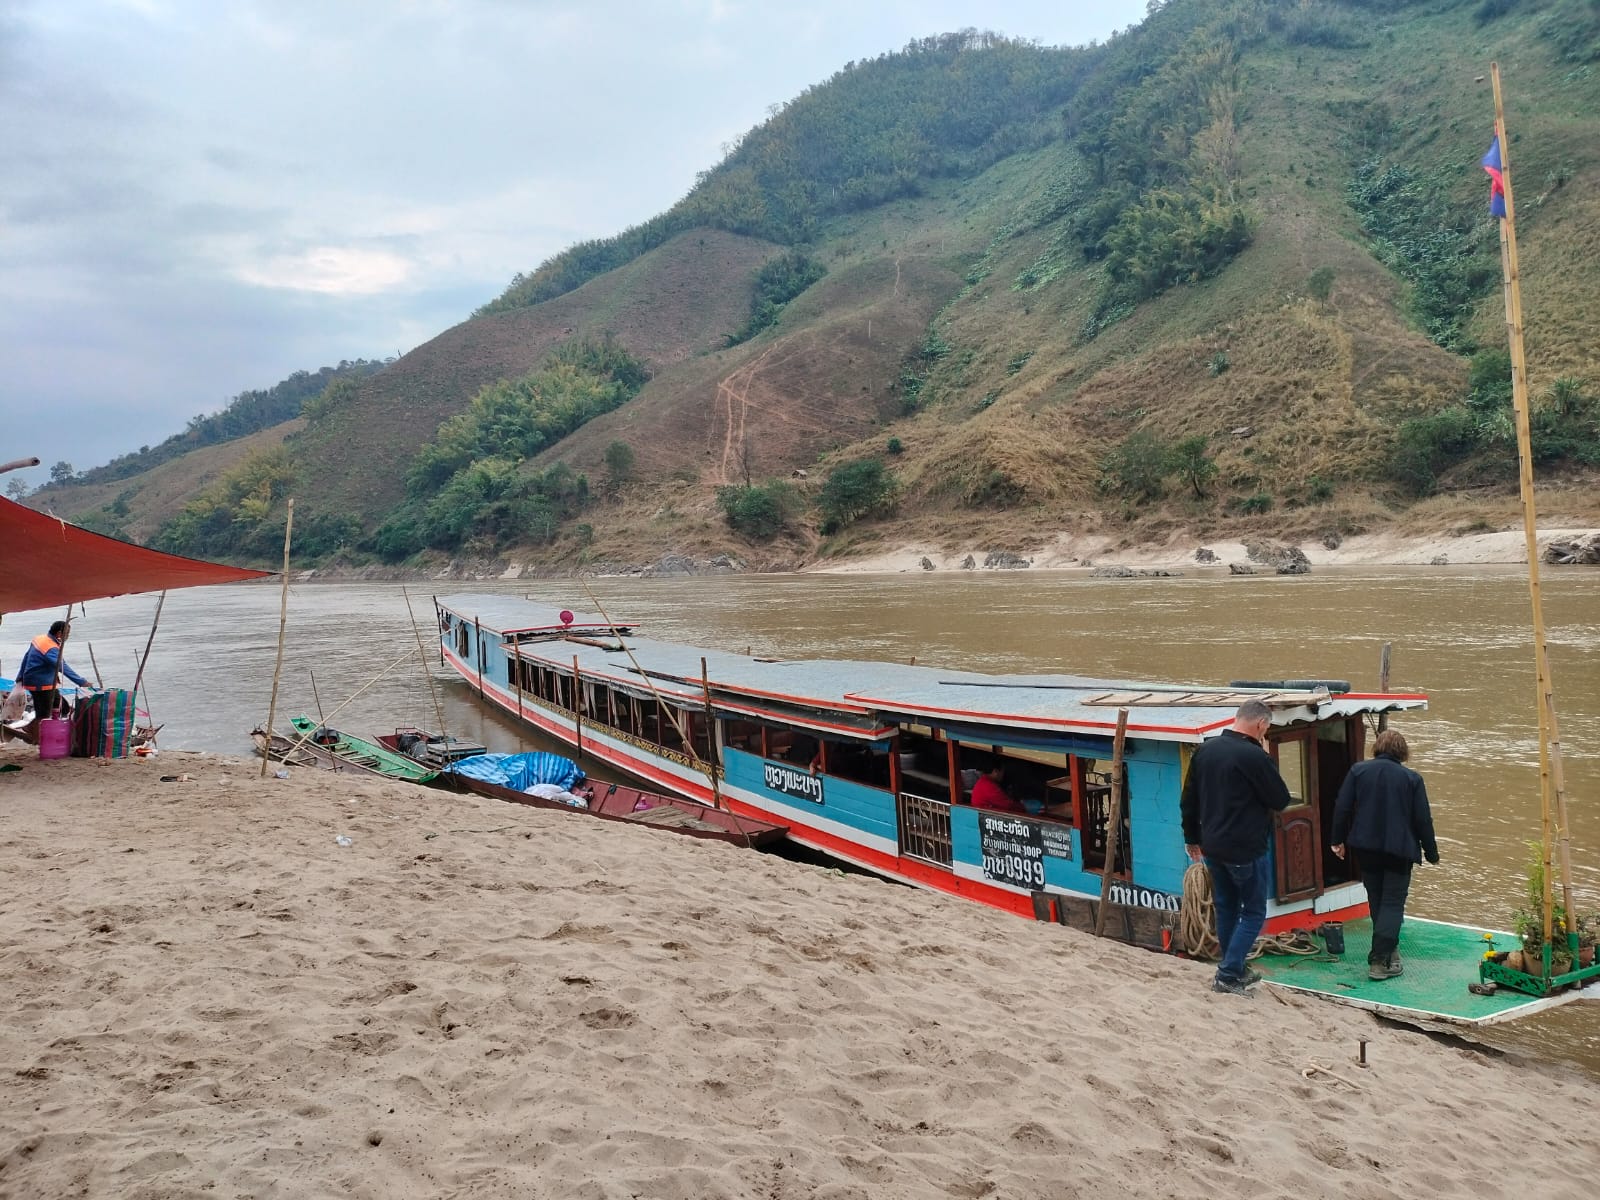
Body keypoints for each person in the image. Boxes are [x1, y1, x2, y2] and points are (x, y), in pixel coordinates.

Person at [1180, 699, 1292, 996]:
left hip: (1212, 846)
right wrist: (1265, 755)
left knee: (1227, 907)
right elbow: (1280, 799)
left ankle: (1234, 967)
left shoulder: (1206, 750)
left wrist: (1191, 839)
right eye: (1266, 729)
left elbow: (1189, 801)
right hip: (1245, 848)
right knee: (1254, 911)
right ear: (1261, 725)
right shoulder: (1254, 757)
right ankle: (1229, 973)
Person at [1330, 729, 1439, 982]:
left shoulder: (1358, 771)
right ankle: (1380, 961)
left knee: (1377, 899)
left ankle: (1389, 949)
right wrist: (1431, 852)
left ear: (1377, 748)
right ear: (1403, 752)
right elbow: (1423, 819)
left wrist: (1337, 840)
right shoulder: (1412, 779)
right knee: (1392, 903)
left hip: (1365, 848)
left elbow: (1342, 806)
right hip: (1399, 850)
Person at [13, 620, 90, 744]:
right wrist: (81, 681)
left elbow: (26, 657)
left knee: (60, 705)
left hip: (39, 680)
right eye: (67, 633)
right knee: (43, 713)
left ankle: (39, 729)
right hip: (40, 683)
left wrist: (20, 675)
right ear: (59, 633)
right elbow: (62, 666)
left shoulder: (40, 639)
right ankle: (38, 740)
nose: (68, 636)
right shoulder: (50, 648)